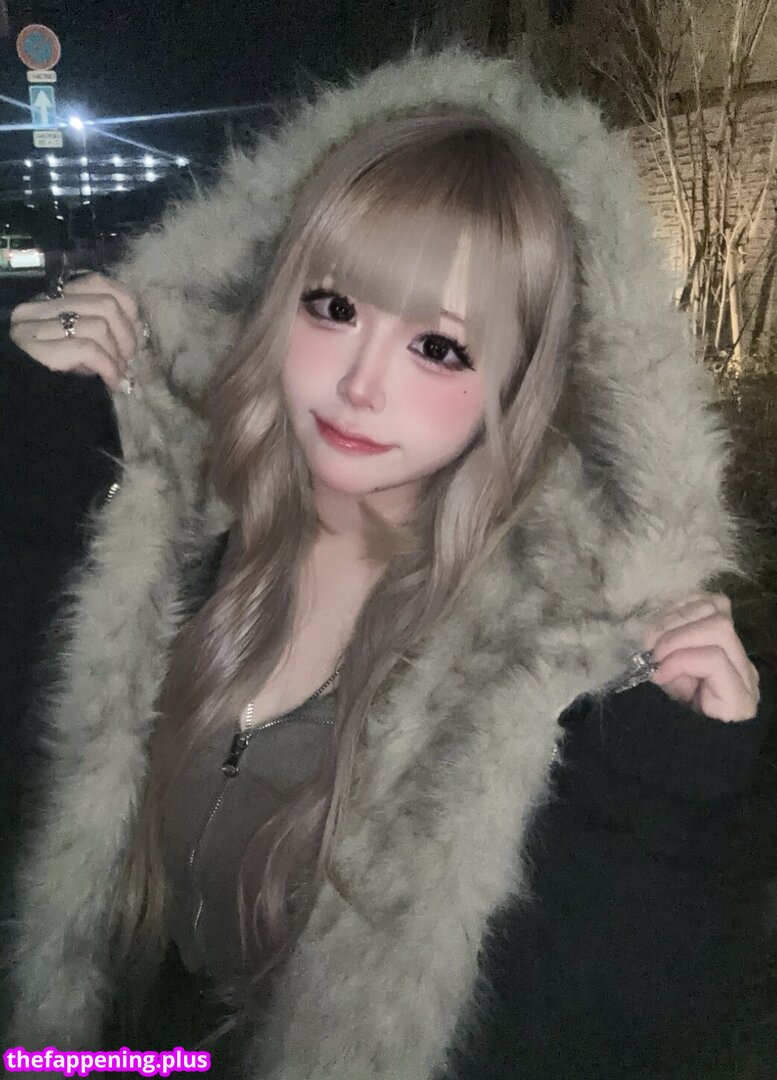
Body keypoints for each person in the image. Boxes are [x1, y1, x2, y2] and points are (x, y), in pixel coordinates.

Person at [2, 46, 773, 1080]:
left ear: (521, 382)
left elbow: (614, 1025)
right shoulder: (157, 522)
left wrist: (663, 804)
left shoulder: (555, 667)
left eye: (439, 348)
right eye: (333, 307)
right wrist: (38, 451)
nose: (361, 383)